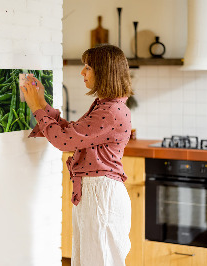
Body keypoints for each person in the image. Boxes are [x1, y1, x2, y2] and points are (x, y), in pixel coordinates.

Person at [21, 44, 133, 266]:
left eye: (88, 67)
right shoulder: (106, 106)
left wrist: (36, 107)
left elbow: (64, 141)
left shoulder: (110, 111)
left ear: (104, 72)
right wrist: (42, 103)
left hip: (101, 195)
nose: (82, 72)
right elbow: (72, 133)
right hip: (96, 193)